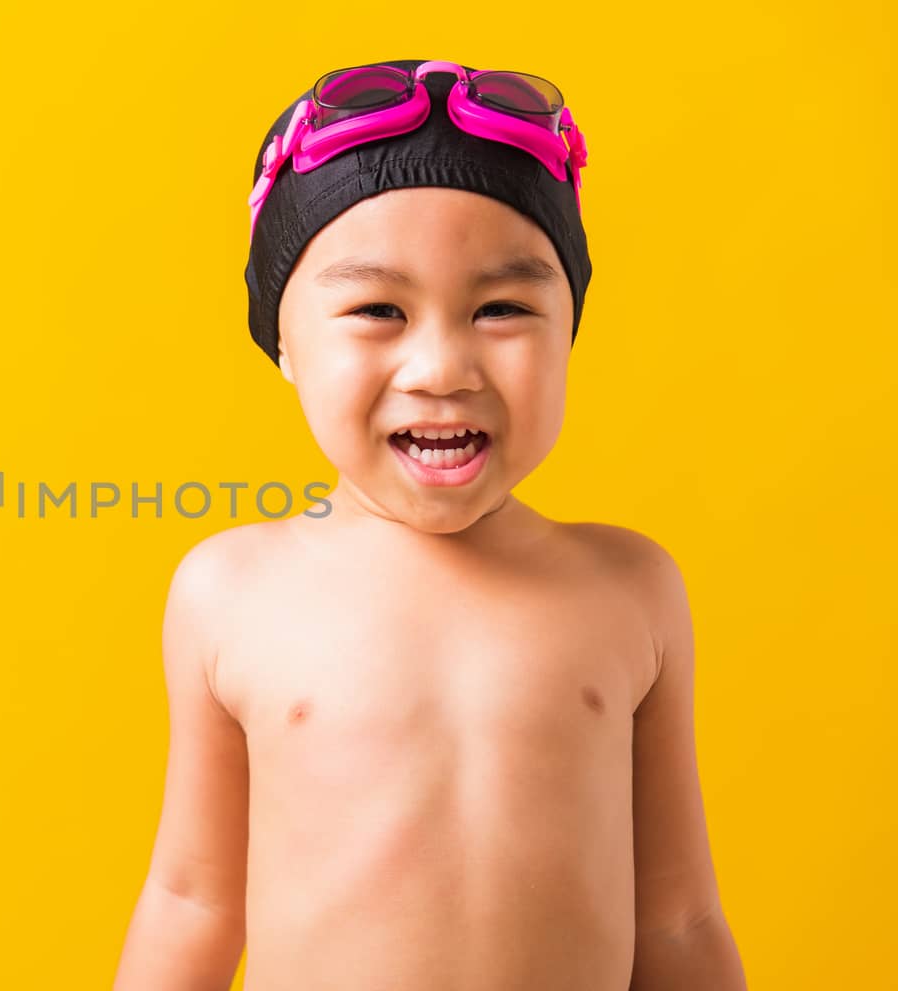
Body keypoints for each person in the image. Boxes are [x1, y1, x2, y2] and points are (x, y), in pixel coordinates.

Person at [113, 59, 746, 990]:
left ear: (570, 327)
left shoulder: (629, 589)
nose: (441, 365)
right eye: (378, 310)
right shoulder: (232, 591)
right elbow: (193, 904)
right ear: (283, 342)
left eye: (502, 308)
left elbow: (680, 919)